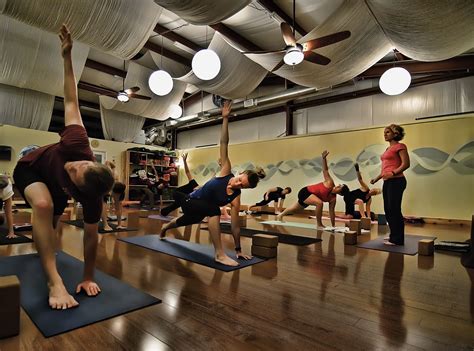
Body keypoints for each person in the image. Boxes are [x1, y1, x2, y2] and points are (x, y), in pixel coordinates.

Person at [12, 25, 114, 309]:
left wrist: (89, 276)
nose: (72, 165)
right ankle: (54, 283)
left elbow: (92, 238)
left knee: (52, 231)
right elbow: (71, 98)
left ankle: (44, 250)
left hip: (55, 186)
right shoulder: (78, 142)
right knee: (42, 206)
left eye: (74, 172)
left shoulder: (91, 200)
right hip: (30, 168)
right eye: (79, 165)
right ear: (90, 160)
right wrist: (67, 56)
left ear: (79, 190)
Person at [159, 101, 266, 266]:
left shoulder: (236, 197)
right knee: (213, 209)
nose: (238, 185)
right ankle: (219, 254)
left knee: (184, 221)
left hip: (199, 211)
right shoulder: (225, 170)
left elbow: (235, 225)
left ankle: (164, 228)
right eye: (239, 180)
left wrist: (238, 249)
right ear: (241, 173)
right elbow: (224, 143)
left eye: (242, 186)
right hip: (188, 200)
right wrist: (225, 119)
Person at [276, 150, 345, 229]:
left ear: (340, 193)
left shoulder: (333, 199)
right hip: (305, 192)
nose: (337, 185)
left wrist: (333, 226)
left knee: (295, 208)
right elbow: (325, 170)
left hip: (311, 197)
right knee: (320, 203)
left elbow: (331, 212)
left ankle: (280, 215)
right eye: (339, 185)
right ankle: (319, 224)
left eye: (340, 187)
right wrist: (323, 158)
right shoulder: (330, 183)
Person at [370, 124, 410, 246]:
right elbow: (385, 169)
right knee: (388, 210)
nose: (385, 134)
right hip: (387, 182)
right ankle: (393, 236)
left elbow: (406, 164)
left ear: (395, 133)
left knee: (394, 209)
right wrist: (377, 178)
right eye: (384, 132)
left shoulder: (400, 146)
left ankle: (398, 239)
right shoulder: (388, 149)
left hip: (397, 181)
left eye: (388, 132)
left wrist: (393, 173)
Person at [160, 152, 199, 217]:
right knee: (187, 199)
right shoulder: (193, 183)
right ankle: (187, 213)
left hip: (182, 196)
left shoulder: (199, 194)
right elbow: (187, 172)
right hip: (176, 192)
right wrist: (184, 161)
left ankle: (163, 212)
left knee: (176, 204)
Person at [100, 161, 126, 231]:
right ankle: (105, 224)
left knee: (118, 205)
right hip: (99, 184)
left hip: (114, 184)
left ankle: (119, 224)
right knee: (103, 203)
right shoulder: (108, 176)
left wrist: (119, 224)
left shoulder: (120, 191)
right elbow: (107, 162)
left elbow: (118, 208)